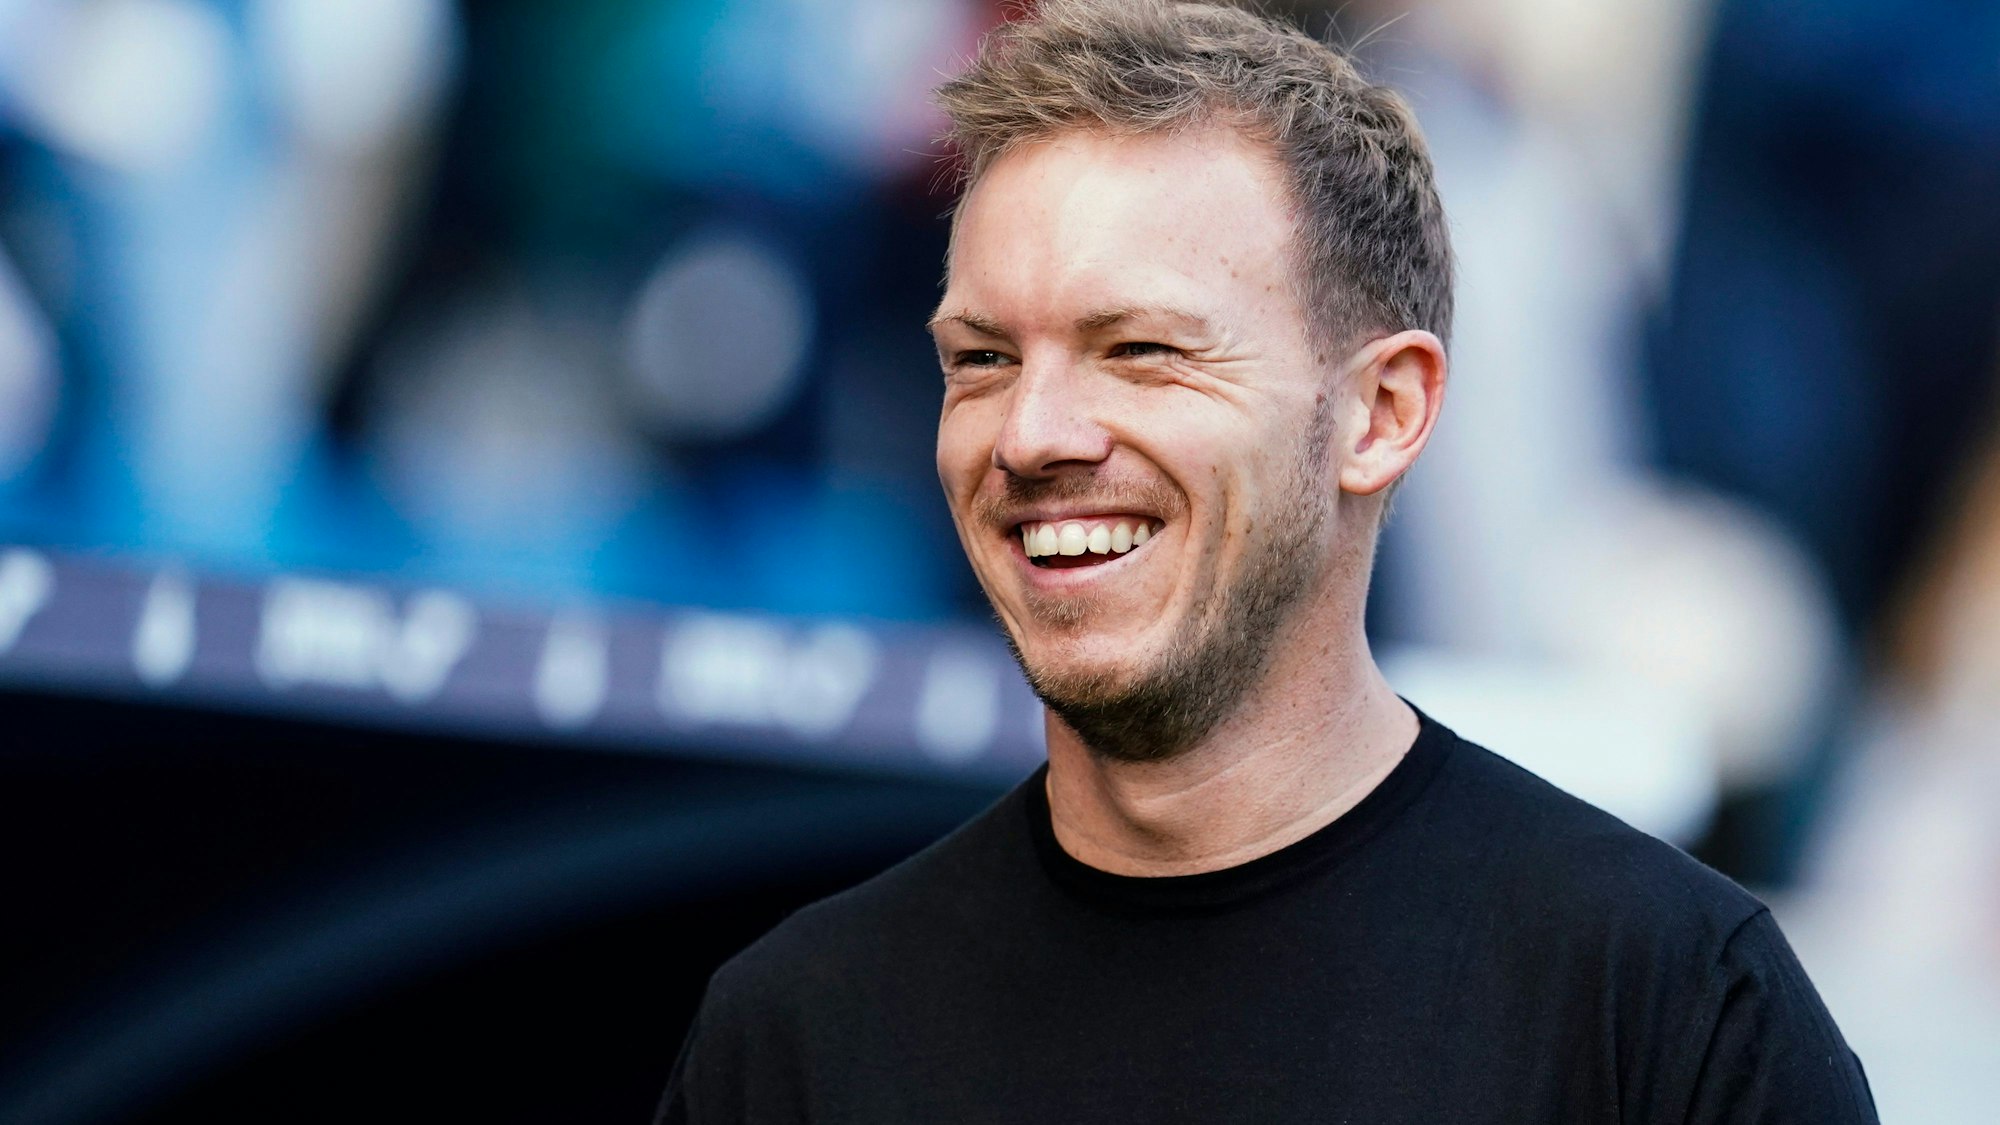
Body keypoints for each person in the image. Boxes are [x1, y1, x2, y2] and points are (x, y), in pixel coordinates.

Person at [655, 1, 1878, 1120]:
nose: (1030, 435)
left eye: (1140, 350)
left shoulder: (1663, 1009)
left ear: (1382, 412)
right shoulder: (795, 1035)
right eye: (980, 360)